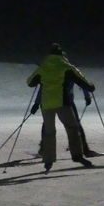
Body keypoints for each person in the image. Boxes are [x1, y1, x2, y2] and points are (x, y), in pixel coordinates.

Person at [27, 43, 96, 172]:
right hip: (63, 103)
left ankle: (48, 161)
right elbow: (81, 80)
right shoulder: (66, 66)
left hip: (46, 104)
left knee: (49, 132)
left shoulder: (44, 66)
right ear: (61, 55)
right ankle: (77, 156)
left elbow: (30, 82)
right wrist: (90, 87)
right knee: (73, 128)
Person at [31, 64, 97, 157]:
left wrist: (37, 103)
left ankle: (43, 150)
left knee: (47, 125)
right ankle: (85, 150)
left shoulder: (51, 71)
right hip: (66, 102)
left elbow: (42, 88)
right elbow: (82, 82)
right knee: (75, 125)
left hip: (49, 101)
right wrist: (87, 97)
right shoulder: (69, 70)